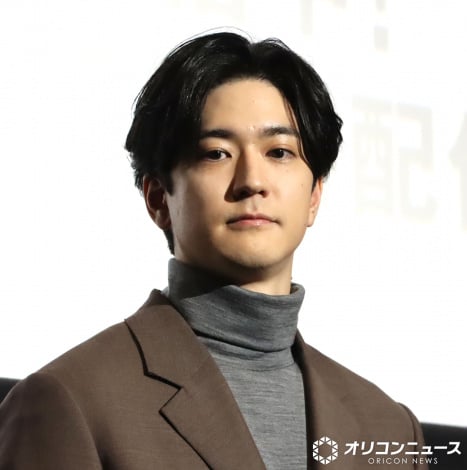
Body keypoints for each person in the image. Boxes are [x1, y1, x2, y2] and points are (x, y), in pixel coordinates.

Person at [0, 31, 427, 469]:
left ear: (314, 195)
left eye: (280, 152)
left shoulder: (389, 429)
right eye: (217, 154)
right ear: (158, 198)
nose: (252, 181)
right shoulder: (72, 401)